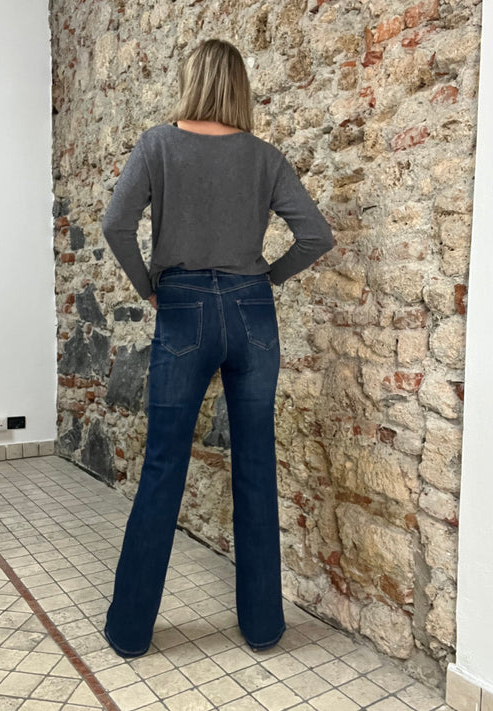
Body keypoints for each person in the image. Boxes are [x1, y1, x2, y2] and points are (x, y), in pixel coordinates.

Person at [101, 38, 334, 658]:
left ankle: (130, 631)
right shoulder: (264, 157)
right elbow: (316, 236)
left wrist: (149, 286)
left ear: (192, 81)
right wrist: (267, 279)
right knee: (255, 465)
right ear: (239, 87)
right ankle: (263, 627)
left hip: (182, 309)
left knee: (163, 466)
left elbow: (116, 225)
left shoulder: (157, 145)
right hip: (252, 310)